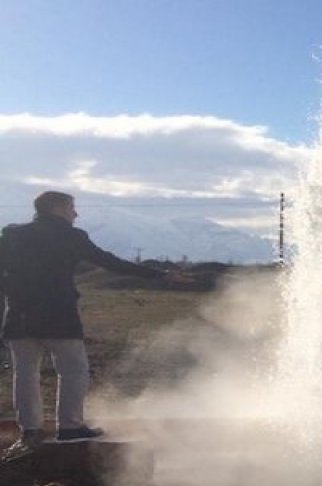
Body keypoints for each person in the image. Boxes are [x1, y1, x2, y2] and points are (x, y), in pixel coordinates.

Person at [0, 191, 190, 459]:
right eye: (71, 208)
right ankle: (70, 427)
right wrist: (160, 275)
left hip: (18, 318)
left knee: (25, 374)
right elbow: (110, 263)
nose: (75, 214)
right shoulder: (71, 236)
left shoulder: (11, 236)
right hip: (59, 317)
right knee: (73, 371)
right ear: (56, 208)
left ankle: (30, 430)